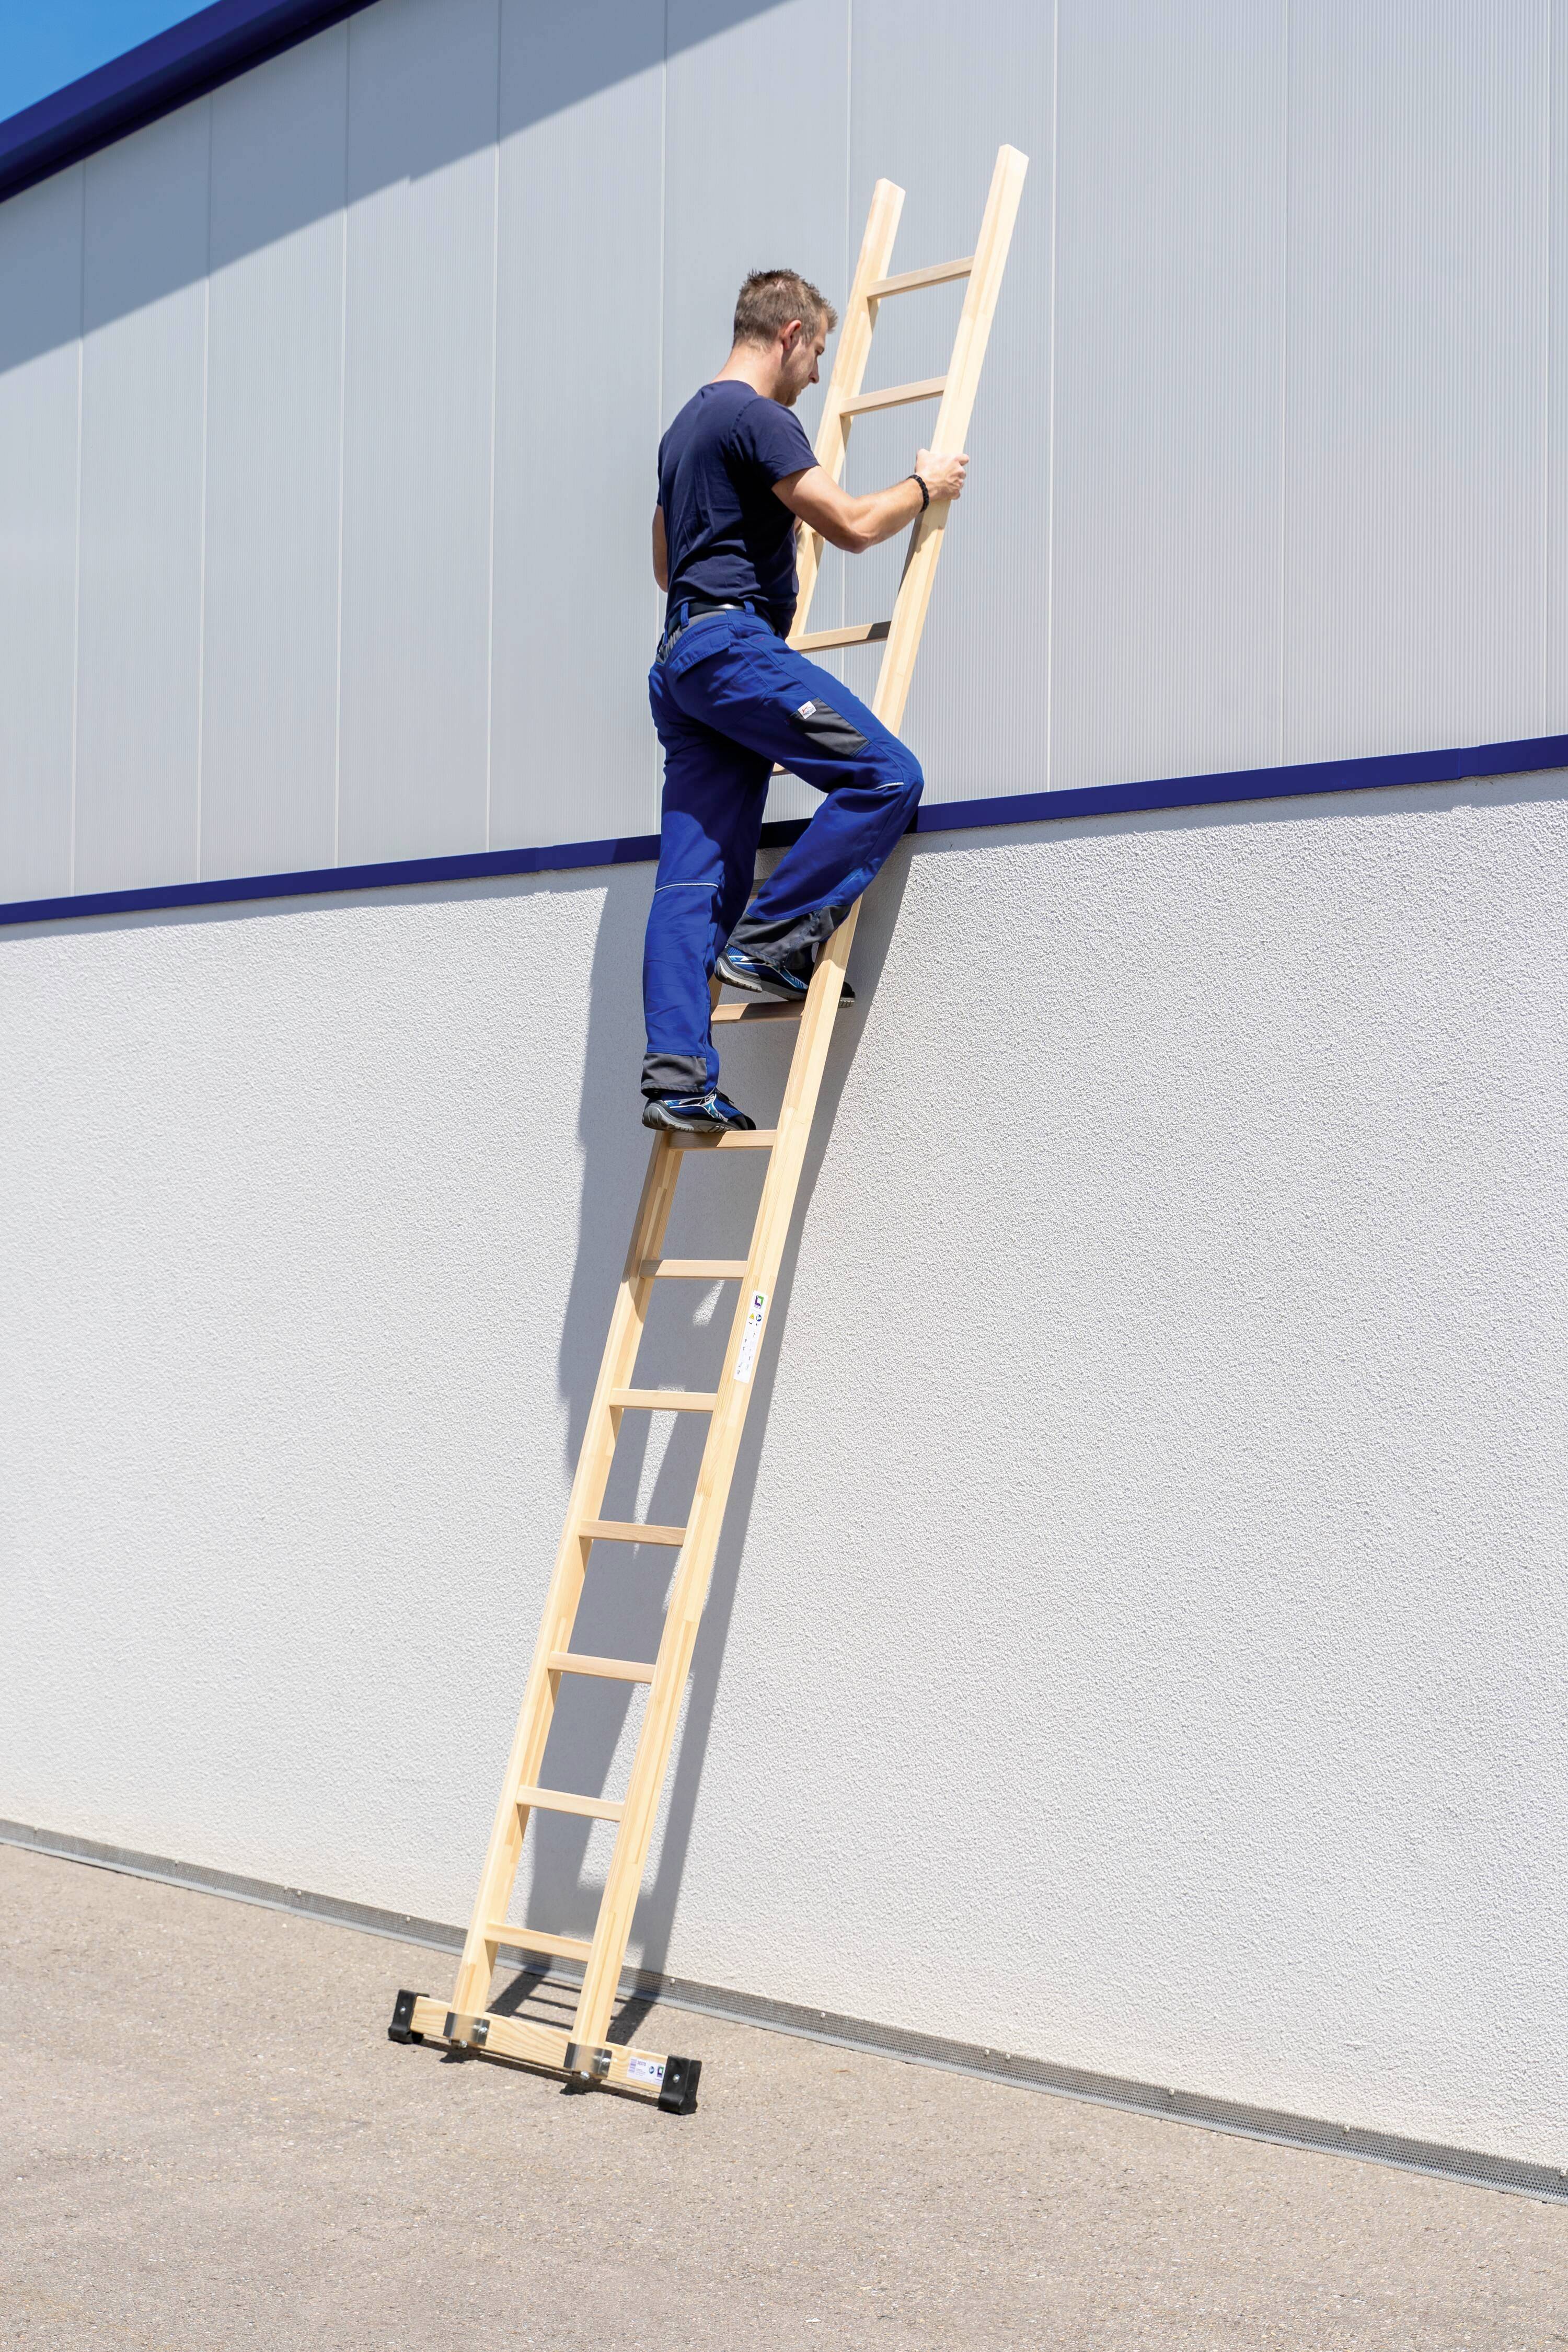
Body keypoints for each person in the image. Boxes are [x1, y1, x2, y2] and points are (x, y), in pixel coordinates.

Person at [641, 267, 969, 1133]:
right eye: (817, 350)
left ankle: (677, 1078)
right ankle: (773, 943)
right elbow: (853, 525)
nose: (819, 373)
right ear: (789, 334)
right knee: (887, 775)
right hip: (731, 650)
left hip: (681, 658)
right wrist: (928, 486)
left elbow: (666, 567)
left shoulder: (683, 430)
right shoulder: (756, 417)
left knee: (693, 877)